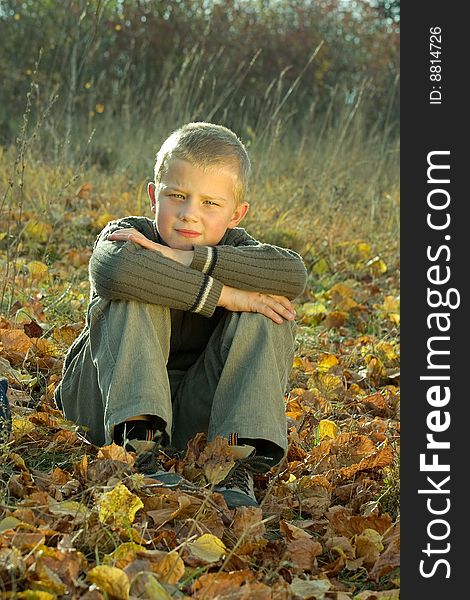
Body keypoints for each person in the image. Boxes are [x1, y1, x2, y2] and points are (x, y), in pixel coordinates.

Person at [54, 122, 307, 508]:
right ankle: (136, 451)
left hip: (193, 411)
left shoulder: (239, 248)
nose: (190, 214)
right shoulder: (129, 236)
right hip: (104, 400)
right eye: (178, 196)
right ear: (154, 196)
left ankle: (232, 462)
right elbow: (118, 272)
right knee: (137, 287)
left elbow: (292, 275)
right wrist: (225, 296)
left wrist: (187, 258)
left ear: (236, 214)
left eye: (210, 203)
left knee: (268, 309)